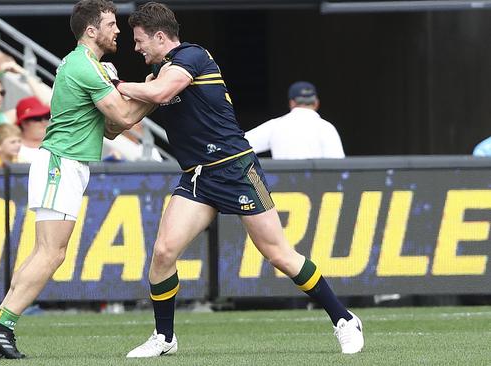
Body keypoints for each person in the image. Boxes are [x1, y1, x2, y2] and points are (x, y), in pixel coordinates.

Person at [116, 2, 364, 357]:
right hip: (197, 177)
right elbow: (123, 120)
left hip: (235, 169)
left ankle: (344, 320)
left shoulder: (192, 56)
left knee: (278, 254)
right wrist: (101, 91)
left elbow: (159, 94)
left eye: (140, 40)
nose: (136, 48)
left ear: (159, 37)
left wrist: (117, 83)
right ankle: (165, 338)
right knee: (163, 251)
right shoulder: (157, 75)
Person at [0, 0, 154, 359]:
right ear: (91, 31)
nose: (117, 30)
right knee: (52, 253)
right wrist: (157, 92)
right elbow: (121, 114)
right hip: (61, 163)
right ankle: (1, 324)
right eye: (110, 24)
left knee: (45, 251)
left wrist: (144, 96)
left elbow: (115, 129)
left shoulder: (88, 66)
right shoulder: (85, 66)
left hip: (65, 163)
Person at [245, 81, 345, 159]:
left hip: (283, 185)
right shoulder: (327, 128)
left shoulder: (274, 126)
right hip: (319, 185)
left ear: (292, 103)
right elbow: (339, 168)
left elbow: (237, 145)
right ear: (316, 103)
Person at [14, 95, 50, 163]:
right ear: (24, 123)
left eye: (46, 117)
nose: (44, 122)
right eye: (37, 118)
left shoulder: (56, 145)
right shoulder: (10, 148)